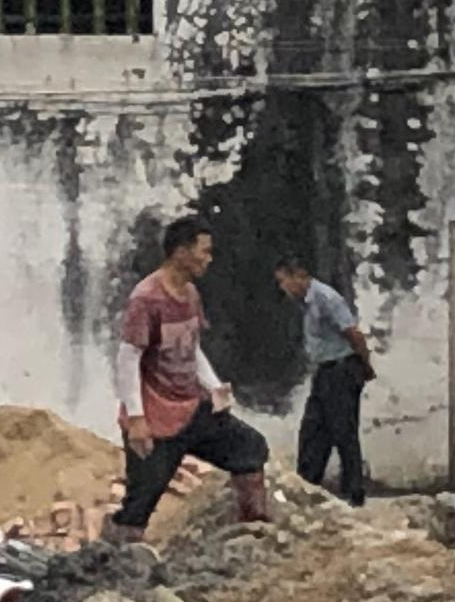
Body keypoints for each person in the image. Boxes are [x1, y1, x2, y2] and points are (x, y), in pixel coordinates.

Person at [109, 213, 273, 533]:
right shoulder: (147, 298)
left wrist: (213, 387)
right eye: (204, 251)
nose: (209, 259)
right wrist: (137, 419)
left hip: (192, 407)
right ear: (181, 252)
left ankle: (254, 529)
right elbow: (128, 357)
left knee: (250, 448)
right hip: (156, 417)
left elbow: (190, 347)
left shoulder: (190, 295)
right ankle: (117, 561)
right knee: (141, 501)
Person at [272, 251, 373, 506]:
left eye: (284, 281)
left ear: (299, 276)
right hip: (326, 371)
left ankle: (354, 492)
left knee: (343, 431)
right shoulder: (307, 302)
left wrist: (364, 364)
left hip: (341, 369)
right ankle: (307, 485)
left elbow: (353, 332)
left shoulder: (326, 298)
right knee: (314, 429)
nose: (283, 288)